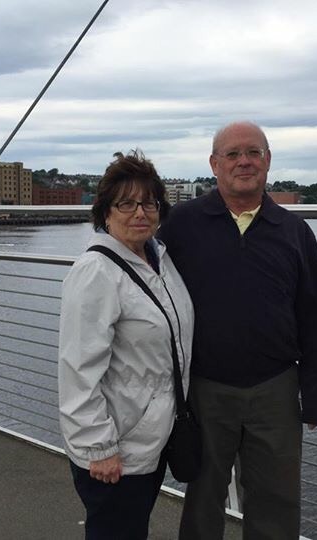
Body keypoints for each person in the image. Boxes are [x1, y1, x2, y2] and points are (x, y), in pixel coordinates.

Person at [158, 121, 317, 540]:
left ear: (268, 161)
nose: (244, 162)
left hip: (275, 388)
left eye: (254, 153)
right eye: (233, 154)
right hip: (204, 387)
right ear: (214, 164)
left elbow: (314, 316)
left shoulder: (294, 231)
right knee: (202, 497)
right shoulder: (182, 225)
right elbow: (150, 292)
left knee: (277, 499)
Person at [59, 150, 194, 540]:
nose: (140, 212)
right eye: (126, 203)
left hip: (149, 437)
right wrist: (98, 447)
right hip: (115, 445)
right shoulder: (95, 272)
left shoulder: (157, 258)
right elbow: (77, 370)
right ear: (105, 212)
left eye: (148, 202)